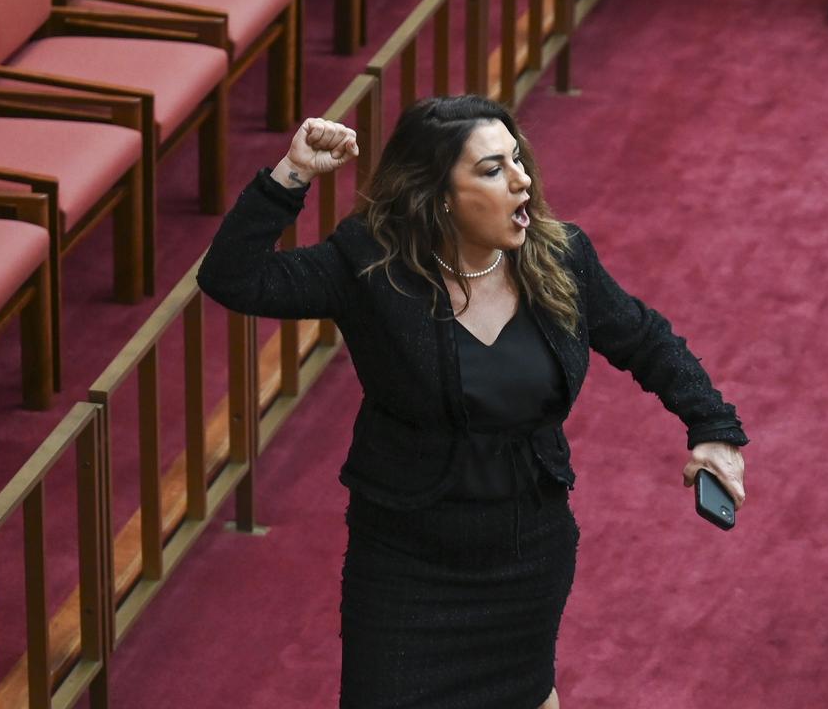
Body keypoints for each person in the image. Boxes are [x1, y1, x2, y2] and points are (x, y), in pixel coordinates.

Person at [197, 95, 749, 709]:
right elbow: (233, 278)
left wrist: (713, 427)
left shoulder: (559, 255)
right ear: (439, 197)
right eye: (492, 169)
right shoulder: (370, 266)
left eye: (518, 160)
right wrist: (291, 174)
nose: (523, 181)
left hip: (527, 555)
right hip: (408, 567)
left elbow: (644, 338)